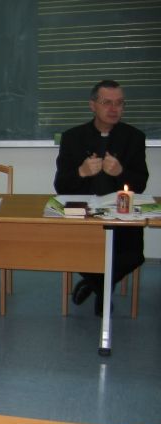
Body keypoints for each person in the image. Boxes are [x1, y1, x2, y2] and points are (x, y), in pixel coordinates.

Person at [54, 80, 149, 315]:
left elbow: (140, 184)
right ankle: (103, 290)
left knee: (133, 256)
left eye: (119, 103)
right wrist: (81, 172)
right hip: (83, 217)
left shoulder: (134, 137)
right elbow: (61, 186)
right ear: (92, 105)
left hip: (122, 216)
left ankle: (95, 285)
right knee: (72, 251)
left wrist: (120, 173)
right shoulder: (72, 137)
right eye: (107, 102)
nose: (114, 109)